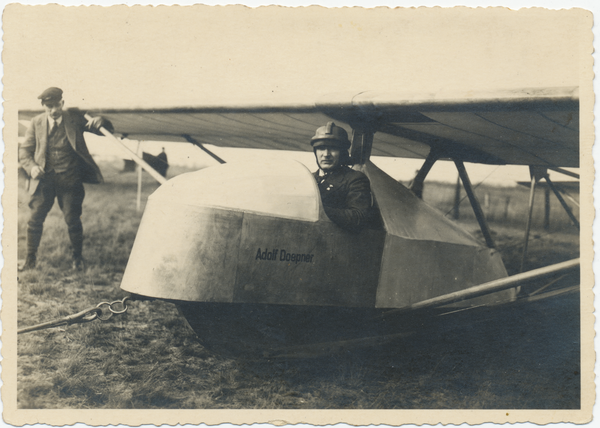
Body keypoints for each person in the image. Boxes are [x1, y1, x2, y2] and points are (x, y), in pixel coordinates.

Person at [19, 87, 113, 271]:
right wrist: (32, 168)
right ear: (43, 106)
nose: (53, 110)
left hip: (70, 180)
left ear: (62, 102)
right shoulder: (36, 122)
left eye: (56, 105)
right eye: (49, 106)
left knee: (73, 219)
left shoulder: (75, 119)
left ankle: (77, 259)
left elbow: (103, 130)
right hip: (44, 181)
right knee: (35, 219)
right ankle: (30, 259)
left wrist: (102, 121)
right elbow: (24, 151)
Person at [310, 122, 373, 232]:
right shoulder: (308, 179)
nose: (326, 154)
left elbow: (358, 217)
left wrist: (316, 207)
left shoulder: (355, 179)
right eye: (321, 148)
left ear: (343, 153)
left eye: (333, 148)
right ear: (315, 152)